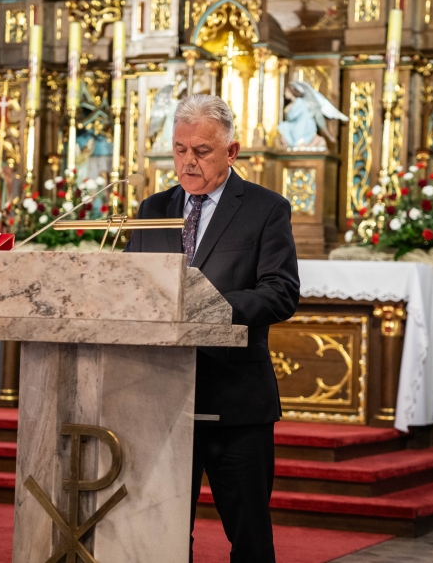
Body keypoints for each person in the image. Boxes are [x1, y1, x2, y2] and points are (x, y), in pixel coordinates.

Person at [125, 94, 300, 562]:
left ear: (231, 151)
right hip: (158, 397)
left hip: (234, 400)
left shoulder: (265, 208)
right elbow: (130, 284)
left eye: (202, 151)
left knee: (249, 539)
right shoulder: (153, 208)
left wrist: (204, 306)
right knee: (161, 537)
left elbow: (281, 292)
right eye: (180, 149)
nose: (188, 161)